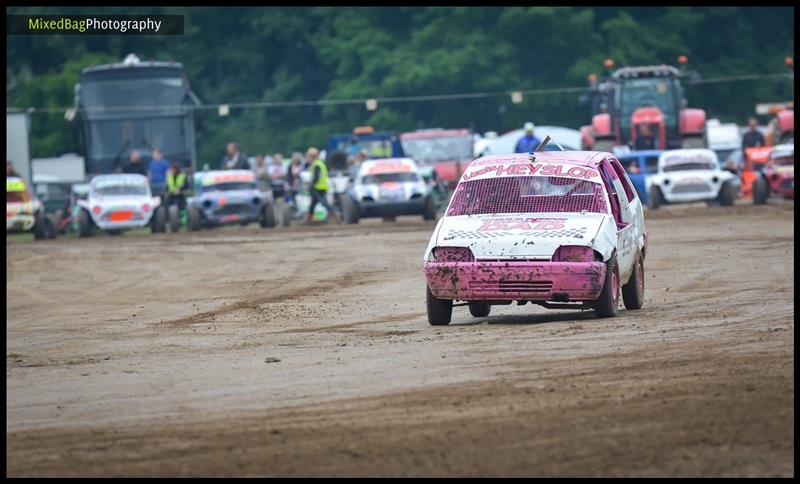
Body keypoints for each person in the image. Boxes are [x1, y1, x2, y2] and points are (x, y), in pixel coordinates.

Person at [304, 147, 342, 224]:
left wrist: (310, 185)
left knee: (323, 202)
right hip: (323, 186)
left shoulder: (316, 165)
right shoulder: (321, 163)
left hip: (317, 187)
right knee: (313, 203)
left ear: (311, 156)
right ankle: (309, 218)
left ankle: (334, 212)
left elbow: (316, 177)